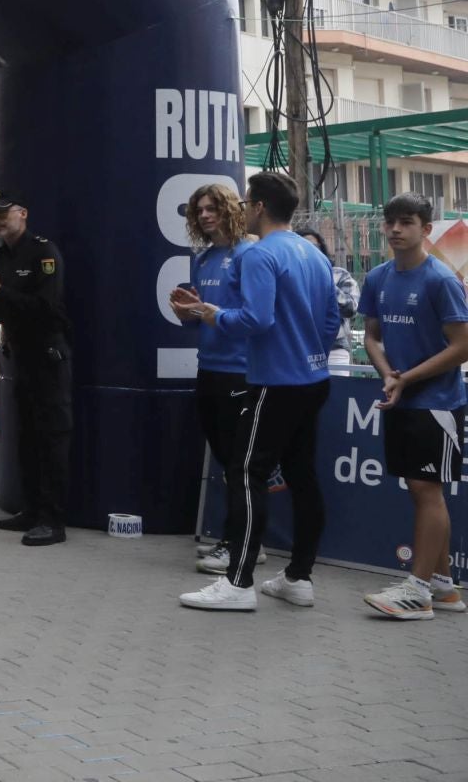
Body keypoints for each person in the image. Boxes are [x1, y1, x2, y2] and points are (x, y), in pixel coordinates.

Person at [171, 170, 339, 611]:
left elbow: (256, 320)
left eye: (246, 202)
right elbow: (330, 322)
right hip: (313, 380)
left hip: (274, 383)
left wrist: (213, 316)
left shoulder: (259, 255)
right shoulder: (313, 253)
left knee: (246, 474)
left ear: (259, 207)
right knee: (302, 476)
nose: (241, 209)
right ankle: (299, 577)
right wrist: (308, 354)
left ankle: (238, 582)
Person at [354, 193, 468, 620]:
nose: (396, 230)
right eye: (391, 223)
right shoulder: (379, 278)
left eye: (406, 222)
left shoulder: (440, 280)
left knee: (426, 490)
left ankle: (418, 592)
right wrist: (388, 374)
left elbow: (463, 347)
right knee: (420, 491)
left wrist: (407, 378)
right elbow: (372, 336)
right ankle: (444, 588)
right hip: (400, 398)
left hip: (438, 404)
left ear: (425, 228)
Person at [0, 189, 73, 546]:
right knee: (24, 437)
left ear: (23, 213)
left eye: (3, 212)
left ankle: (53, 521)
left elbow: (48, 309)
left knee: (51, 439)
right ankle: (30, 509)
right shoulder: (0, 258)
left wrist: (1, 294)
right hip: (18, 358)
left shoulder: (44, 253)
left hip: (47, 357)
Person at [173, 182, 257, 576]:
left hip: (241, 371)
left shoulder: (248, 254)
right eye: (200, 210)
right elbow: (201, 319)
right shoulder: (203, 258)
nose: (205, 215)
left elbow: (256, 319)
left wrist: (210, 312)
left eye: (212, 208)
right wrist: (187, 314)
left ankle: (240, 544)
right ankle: (240, 540)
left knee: (239, 465)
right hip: (208, 368)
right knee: (226, 462)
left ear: (231, 210)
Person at [300, 229, 360, 371]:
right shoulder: (289, 276)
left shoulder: (339, 275)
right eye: (304, 246)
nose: (310, 251)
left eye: (314, 247)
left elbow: (352, 308)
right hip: (300, 348)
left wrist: (323, 281)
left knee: (337, 391)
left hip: (335, 348)